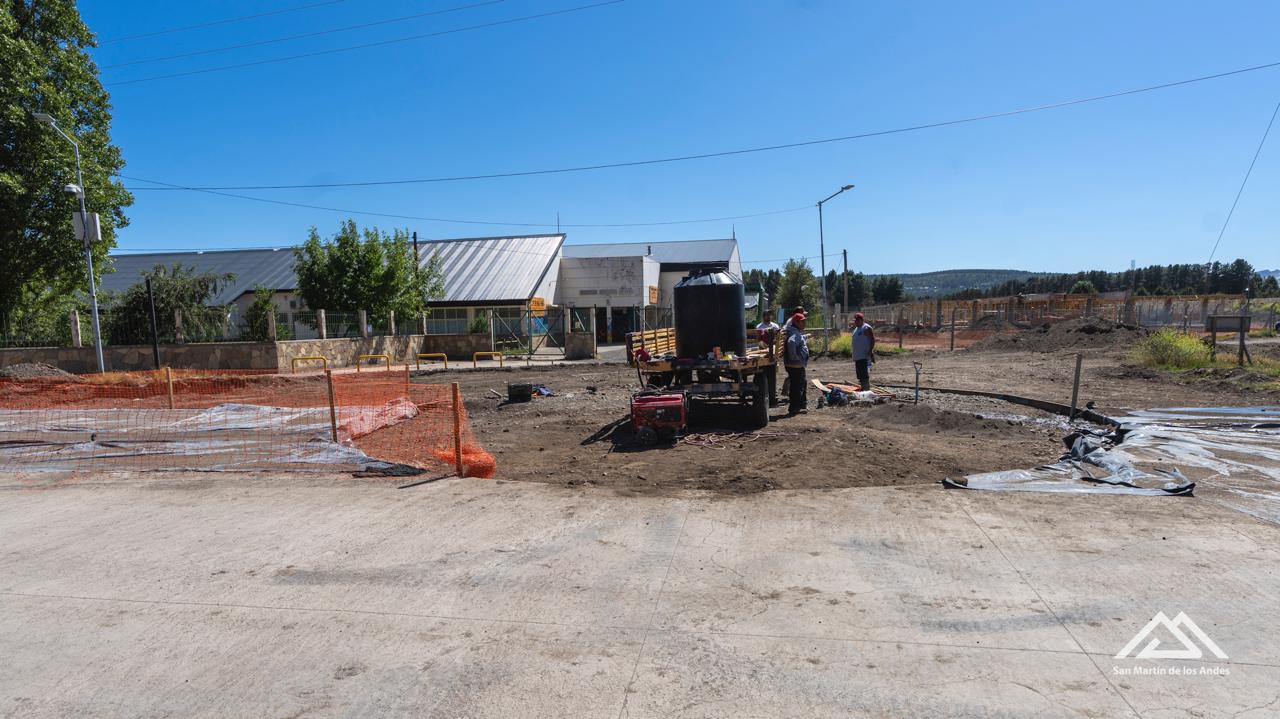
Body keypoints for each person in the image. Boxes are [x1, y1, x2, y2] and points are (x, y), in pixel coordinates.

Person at [784, 312, 810, 415]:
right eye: (802, 322)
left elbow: (798, 340)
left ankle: (798, 406)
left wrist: (805, 337)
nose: (804, 324)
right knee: (796, 387)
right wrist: (795, 357)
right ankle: (794, 408)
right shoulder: (794, 333)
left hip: (796, 365)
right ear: (796, 322)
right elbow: (791, 342)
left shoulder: (795, 331)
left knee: (800, 384)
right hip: (795, 365)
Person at [756, 313, 781, 407]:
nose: (768, 317)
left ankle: (772, 397)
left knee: (772, 377)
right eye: (766, 315)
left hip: (772, 353)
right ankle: (764, 397)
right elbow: (758, 340)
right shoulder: (759, 326)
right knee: (763, 375)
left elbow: (778, 338)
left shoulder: (775, 326)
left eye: (769, 315)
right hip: (763, 353)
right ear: (763, 317)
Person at [850, 312, 875, 390]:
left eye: (857, 320)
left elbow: (872, 340)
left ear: (861, 320)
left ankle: (866, 390)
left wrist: (870, 351)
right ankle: (863, 389)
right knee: (860, 375)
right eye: (855, 320)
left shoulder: (866, 328)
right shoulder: (856, 329)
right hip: (858, 356)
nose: (855, 322)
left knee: (864, 375)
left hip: (864, 356)